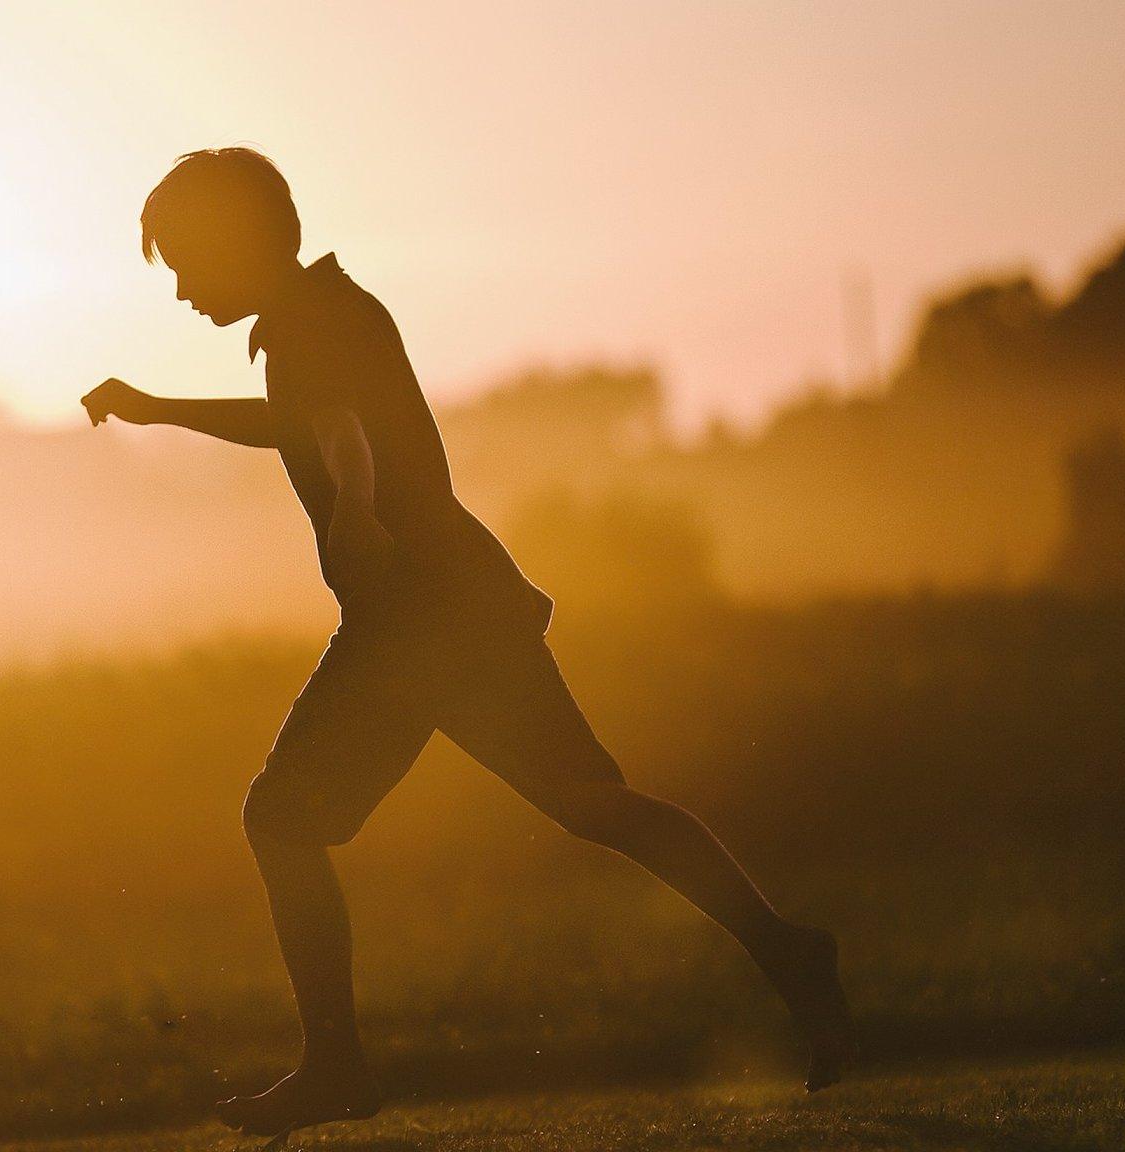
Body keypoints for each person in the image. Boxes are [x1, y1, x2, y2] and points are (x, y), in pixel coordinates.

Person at [81, 148, 856, 1137]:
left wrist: (357, 511)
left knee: (279, 818)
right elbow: (304, 423)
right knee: (595, 806)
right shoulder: (317, 318)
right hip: (454, 609)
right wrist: (159, 409)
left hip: (414, 623)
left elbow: (341, 434)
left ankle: (333, 1069)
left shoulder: (316, 324)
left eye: (187, 262)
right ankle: (789, 954)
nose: (181, 288)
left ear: (240, 244)